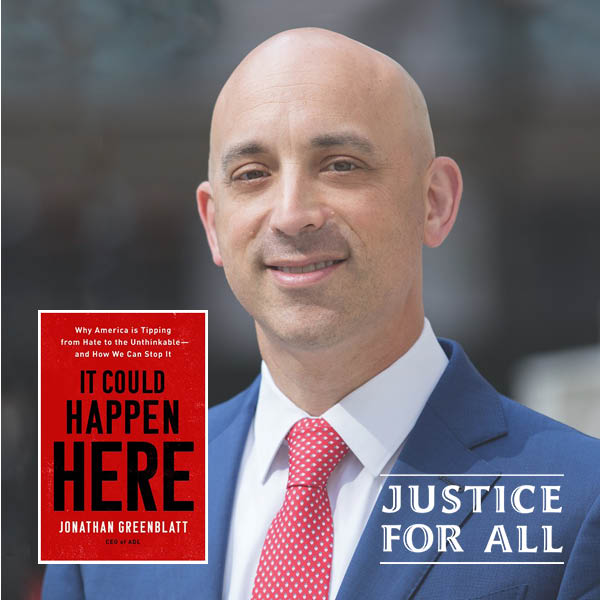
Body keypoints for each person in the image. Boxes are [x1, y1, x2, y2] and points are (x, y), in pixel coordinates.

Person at [43, 28, 600, 600]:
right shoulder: (120, 489)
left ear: (434, 202)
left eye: (340, 165)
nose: (291, 215)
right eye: (253, 174)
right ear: (212, 224)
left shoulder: (580, 500)